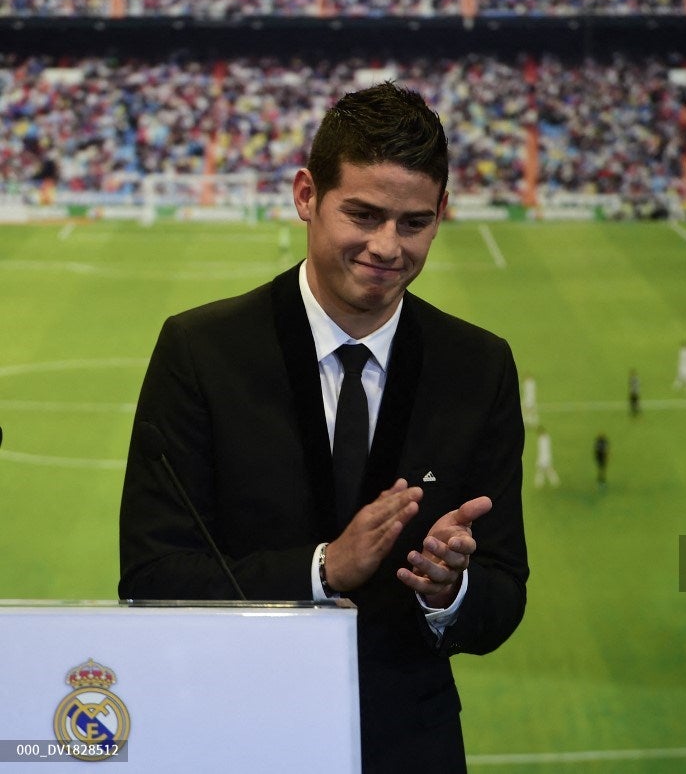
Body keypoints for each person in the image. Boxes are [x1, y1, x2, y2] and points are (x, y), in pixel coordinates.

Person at [118, 82, 528, 774]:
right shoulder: (201, 351)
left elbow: (503, 594)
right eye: (363, 215)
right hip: (234, 742)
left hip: (409, 749)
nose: (386, 247)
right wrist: (320, 569)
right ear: (306, 195)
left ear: (441, 213)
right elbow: (152, 578)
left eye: (414, 222)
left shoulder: (479, 366)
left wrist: (449, 590)